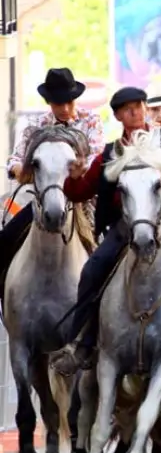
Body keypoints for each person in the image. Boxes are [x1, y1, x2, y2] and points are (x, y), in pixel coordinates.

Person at [50, 87, 161, 376]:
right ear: (118, 115)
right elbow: (81, 191)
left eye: (139, 106)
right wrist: (72, 179)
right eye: (127, 108)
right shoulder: (110, 153)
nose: (135, 112)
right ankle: (82, 342)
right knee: (93, 270)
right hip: (125, 226)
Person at [0, 68, 104, 288]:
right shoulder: (36, 126)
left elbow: (97, 157)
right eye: (58, 104)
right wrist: (20, 169)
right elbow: (14, 159)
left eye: (69, 102)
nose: (65, 109)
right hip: (44, 199)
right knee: (4, 239)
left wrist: (81, 170)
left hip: (85, 201)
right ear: (48, 102)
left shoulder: (91, 120)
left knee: (110, 247)